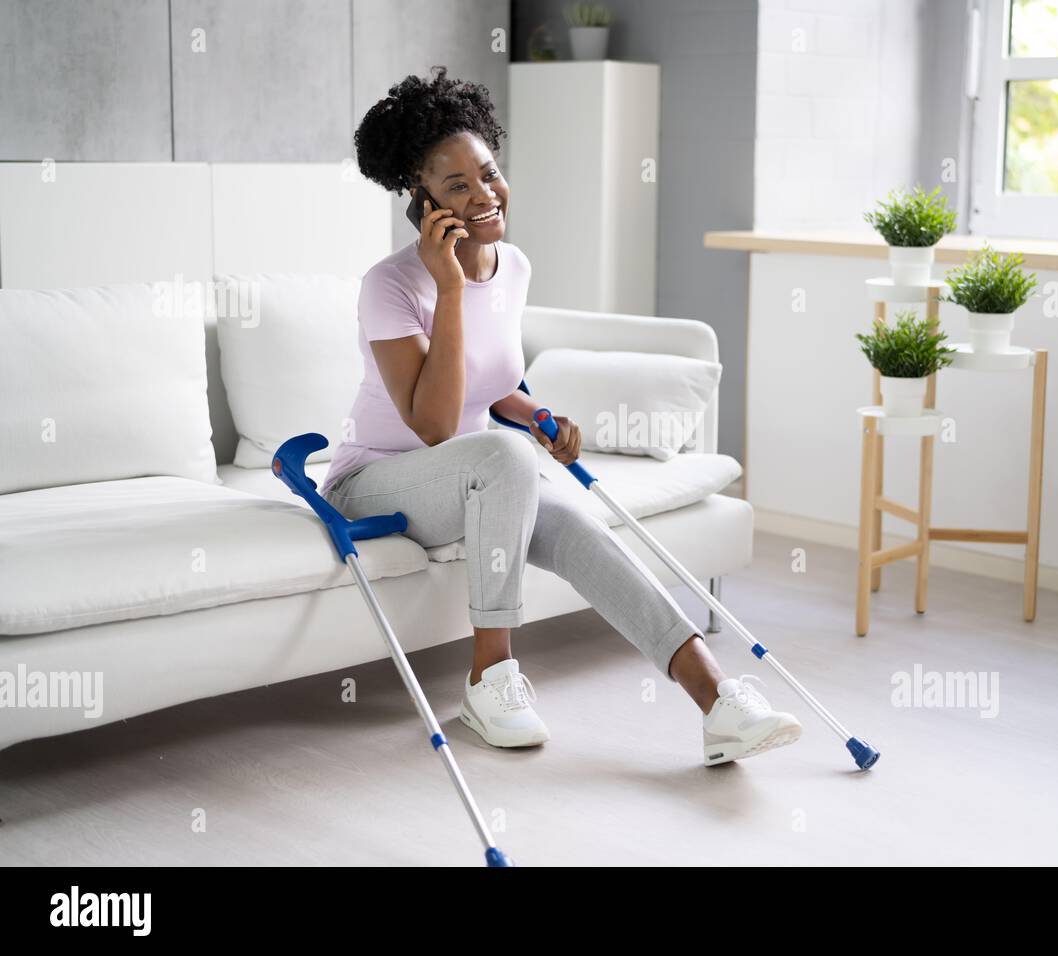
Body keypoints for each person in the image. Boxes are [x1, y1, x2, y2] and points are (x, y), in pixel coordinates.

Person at [322, 67, 801, 766]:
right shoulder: (390, 286)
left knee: (582, 530)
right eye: (457, 186)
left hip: (478, 476)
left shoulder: (512, 266)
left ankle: (719, 701)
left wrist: (536, 413)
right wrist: (450, 286)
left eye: (487, 173)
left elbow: (490, 382)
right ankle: (490, 681)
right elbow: (430, 422)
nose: (484, 194)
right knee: (505, 457)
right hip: (380, 482)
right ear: (423, 202)